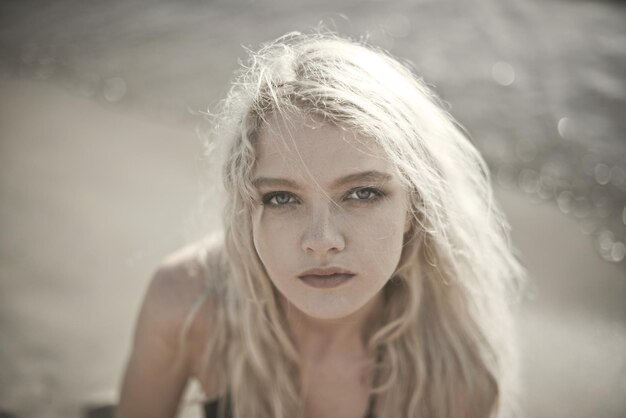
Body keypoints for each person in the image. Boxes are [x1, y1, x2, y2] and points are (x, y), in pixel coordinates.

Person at [116, 31, 525, 418]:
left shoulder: (455, 374)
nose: (321, 241)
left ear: (413, 207)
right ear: (247, 209)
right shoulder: (189, 304)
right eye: (282, 198)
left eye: (362, 193)